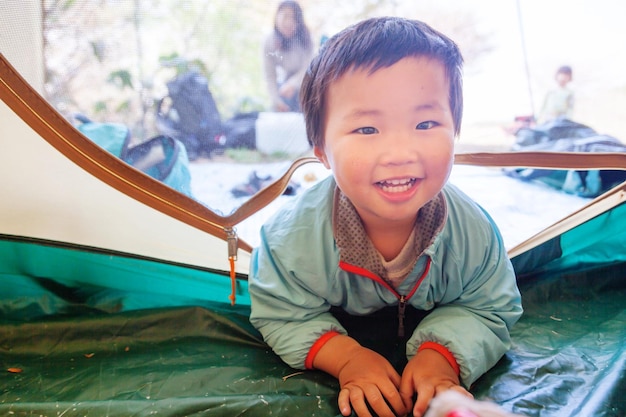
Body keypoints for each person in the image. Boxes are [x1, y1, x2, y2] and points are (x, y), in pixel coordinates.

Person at [249, 16, 523, 417]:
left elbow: (489, 305)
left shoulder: (472, 233)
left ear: (456, 129)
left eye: (425, 123)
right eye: (366, 129)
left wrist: (441, 357)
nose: (399, 152)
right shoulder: (292, 241)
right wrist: (345, 358)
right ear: (322, 149)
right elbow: (280, 310)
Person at [262, 1, 314, 112]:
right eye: (285, 16)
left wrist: (293, 84)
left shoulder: (305, 38)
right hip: (285, 86)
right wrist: (276, 101)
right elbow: (270, 76)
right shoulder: (269, 42)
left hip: (308, 82)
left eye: (294, 18)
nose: (289, 22)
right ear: (277, 16)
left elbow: (309, 67)